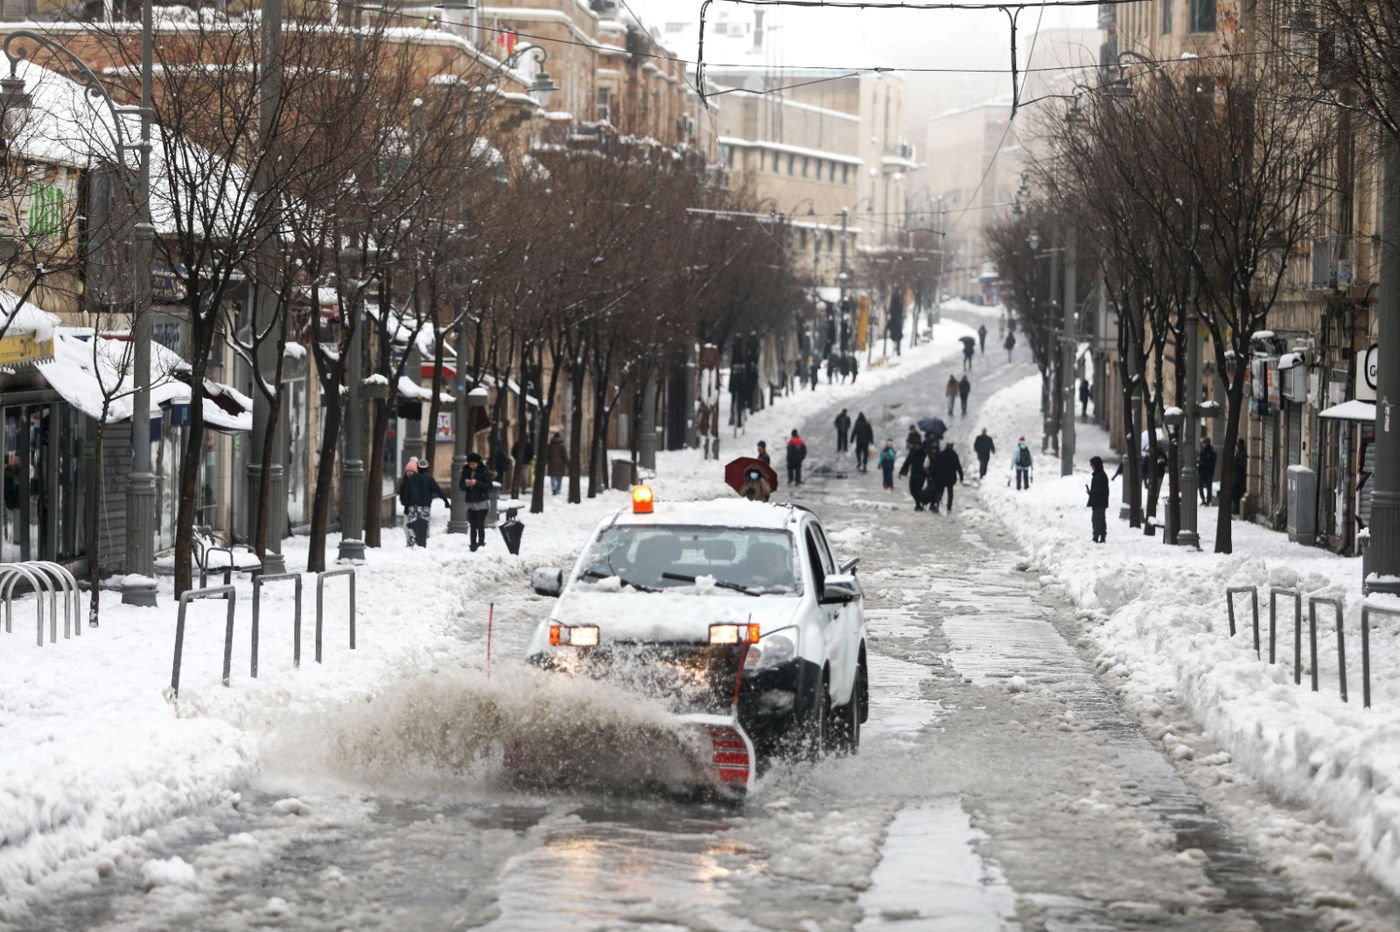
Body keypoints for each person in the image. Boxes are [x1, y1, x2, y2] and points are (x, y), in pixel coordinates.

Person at [398, 457, 449, 548]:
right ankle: (422, 544)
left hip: (413, 506)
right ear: (427, 468)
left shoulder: (411, 479)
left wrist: (406, 505)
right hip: (425, 506)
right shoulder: (429, 479)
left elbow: (406, 493)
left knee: (413, 524)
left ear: (417, 467)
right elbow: (438, 490)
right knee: (424, 524)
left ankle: (412, 543)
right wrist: (445, 501)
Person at [458, 452, 495, 551]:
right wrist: (466, 484)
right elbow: (461, 486)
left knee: (480, 524)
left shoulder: (484, 471)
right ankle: (473, 544)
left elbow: (489, 486)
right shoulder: (466, 471)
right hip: (470, 502)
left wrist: (476, 483)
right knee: (472, 525)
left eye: (473, 464)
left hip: (482, 502)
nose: (471, 466)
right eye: (470, 464)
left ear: (478, 463)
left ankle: (481, 543)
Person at [930, 441, 964, 513]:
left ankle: (936, 504)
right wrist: (961, 476)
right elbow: (958, 466)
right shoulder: (954, 455)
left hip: (941, 477)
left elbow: (935, 466)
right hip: (951, 478)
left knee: (940, 491)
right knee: (950, 492)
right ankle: (949, 507)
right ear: (952, 446)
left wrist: (932, 475)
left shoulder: (941, 454)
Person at [898, 437, 929, 511]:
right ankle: (919, 503)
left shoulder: (924, 453)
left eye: (918, 445)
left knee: (918, 490)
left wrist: (929, 472)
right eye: (915, 445)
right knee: (912, 491)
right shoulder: (912, 453)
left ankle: (918, 505)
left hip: (922, 475)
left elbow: (928, 463)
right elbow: (907, 463)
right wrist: (901, 472)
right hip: (913, 475)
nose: (916, 446)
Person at [1087, 455, 1109, 543]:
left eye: (1092, 465)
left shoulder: (1099, 476)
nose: (1091, 467)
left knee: (1096, 519)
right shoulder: (1100, 474)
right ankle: (1102, 537)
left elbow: (1098, 491)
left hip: (1098, 502)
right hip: (1101, 502)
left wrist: (1091, 493)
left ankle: (1096, 537)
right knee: (1101, 519)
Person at [546, 431, 567, 496]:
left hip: (552, 463)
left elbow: (547, 455)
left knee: (553, 477)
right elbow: (564, 456)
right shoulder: (562, 446)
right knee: (559, 478)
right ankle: (558, 489)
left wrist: (546, 462)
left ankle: (554, 487)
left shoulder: (550, 445)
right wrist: (568, 464)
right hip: (560, 464)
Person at [1197, 437, 1217, 505]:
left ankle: (1208, 500)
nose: (1203, 444)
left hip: (1209, 472)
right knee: (1200, 486)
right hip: (1202, 472)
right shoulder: (1202, 452)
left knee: (1209, 486)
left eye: (1204, 443)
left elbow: (1211, 464)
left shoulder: (1212, 453)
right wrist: (1199, 464)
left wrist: (1203, 463)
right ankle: (1203, 499)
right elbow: (1200, 461)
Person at [1232, 438, 1248, 516]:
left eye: (1238, 444)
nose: (1237, 446)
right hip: (1235, 478)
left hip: (1238, 478)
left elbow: (1241, 466)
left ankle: (1237, 509)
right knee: (1234, 494)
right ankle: (1235, 508)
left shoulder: (1242, 454)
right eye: (1236, 444)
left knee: (1237, 494)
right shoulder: (1237, 453)